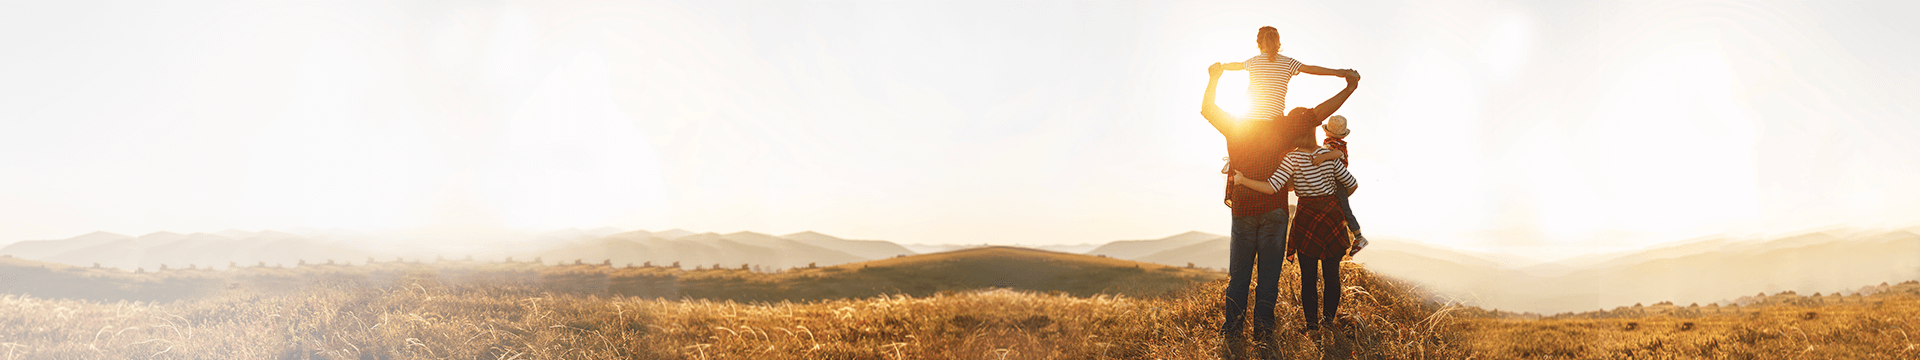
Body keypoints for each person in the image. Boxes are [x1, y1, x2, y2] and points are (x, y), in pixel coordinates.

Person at [1202, 61, 1360, 358]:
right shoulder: (1284, 126)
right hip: (1275, 211)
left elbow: (1208, 108)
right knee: (1268, 277)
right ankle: (1263, 332)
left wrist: (1214, 78)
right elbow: (1318, 115)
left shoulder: (1236, 124)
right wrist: (1348, 86)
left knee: (1239, 276)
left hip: (1244, 211)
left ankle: (1233, 330)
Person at [1232, 122, 1360, 333]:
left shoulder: (1292, 158)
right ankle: (1327, 324)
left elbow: (1272, 187)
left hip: (1307, 217)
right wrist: (1334, 200)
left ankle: (1312, 327)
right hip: (1331, 218)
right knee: (1332, 275)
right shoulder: (1330, 154)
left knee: (1309, 277)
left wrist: (1243, 180)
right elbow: (1352, 183)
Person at [1217, 26, 1355, 208]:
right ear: (1279, 43)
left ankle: (1238, 173)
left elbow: (1235, 66)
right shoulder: (1288, 62)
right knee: (1306, 124)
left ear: (1259, 43)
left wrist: (1221, 67)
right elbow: (1312, 69)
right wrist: (1339, 72)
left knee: (1237, 141)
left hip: (1249, 122)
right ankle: (1289, 179)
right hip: (1275, 124)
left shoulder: (1253, 61)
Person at [1317, 116, 1368, 255]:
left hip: (1339, 180)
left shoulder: (1334, 145)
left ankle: (1359, 237)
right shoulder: (1335, 142)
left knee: (1345, 209)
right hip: (1337, 179)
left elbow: (1337, 154)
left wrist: (1322, 157)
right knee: (1340, 208)